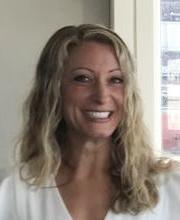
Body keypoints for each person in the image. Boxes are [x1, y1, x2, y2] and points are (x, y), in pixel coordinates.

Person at [0, 24, 180, 220]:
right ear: (53, 91)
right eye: (83, 78)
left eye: (116, 80)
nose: (102, 96)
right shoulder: (10, 190)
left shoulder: (170, 187)